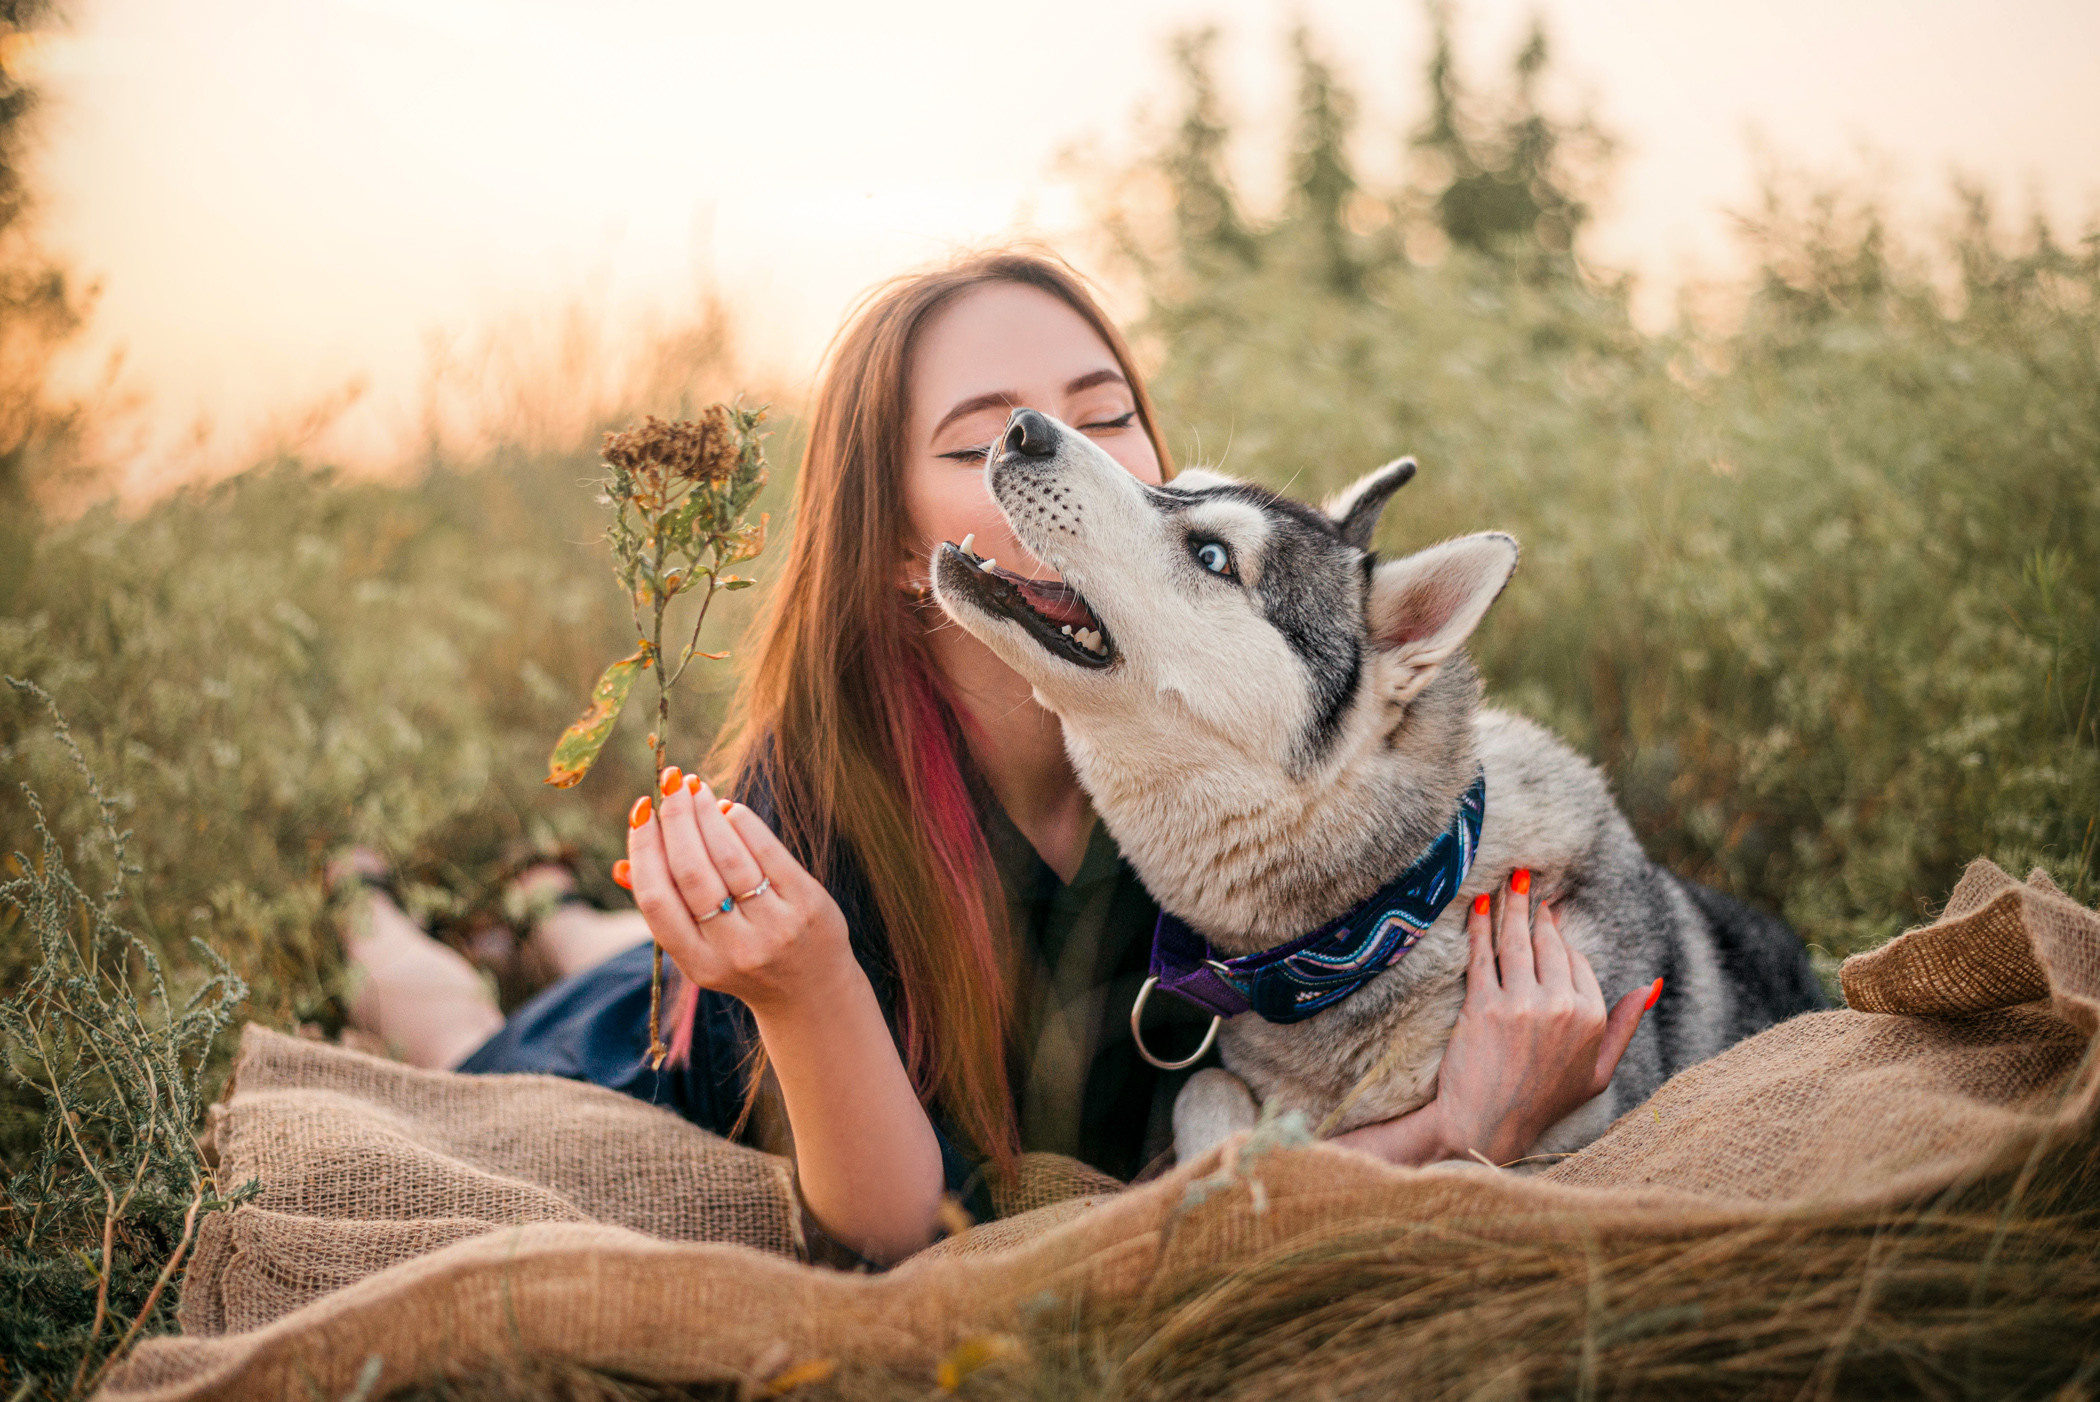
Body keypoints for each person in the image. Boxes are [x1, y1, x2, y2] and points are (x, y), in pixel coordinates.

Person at [339, 250, 1654, 1268]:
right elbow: (904, 1235)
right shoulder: (822, 800)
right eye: (980, 443)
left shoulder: (1218, 773)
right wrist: (805, 985)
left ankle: (553, 908)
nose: (1054, 452)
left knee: (606, 938)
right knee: (480, 1027)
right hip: (743, 1041)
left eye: (1107, 415)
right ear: (894, 550)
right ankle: (369, 909)